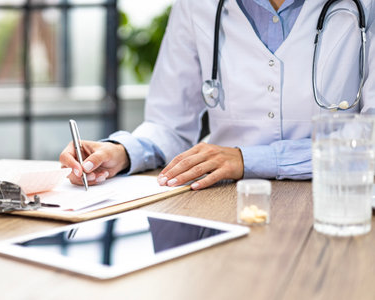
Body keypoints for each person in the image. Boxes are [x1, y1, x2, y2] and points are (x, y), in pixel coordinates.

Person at [60, 0, 375, 190]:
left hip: (338, 198)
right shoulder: (197, 5)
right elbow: (170, 123)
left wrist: (247, 159)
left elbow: (370, 136)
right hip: (225, 204)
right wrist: (121, 151)